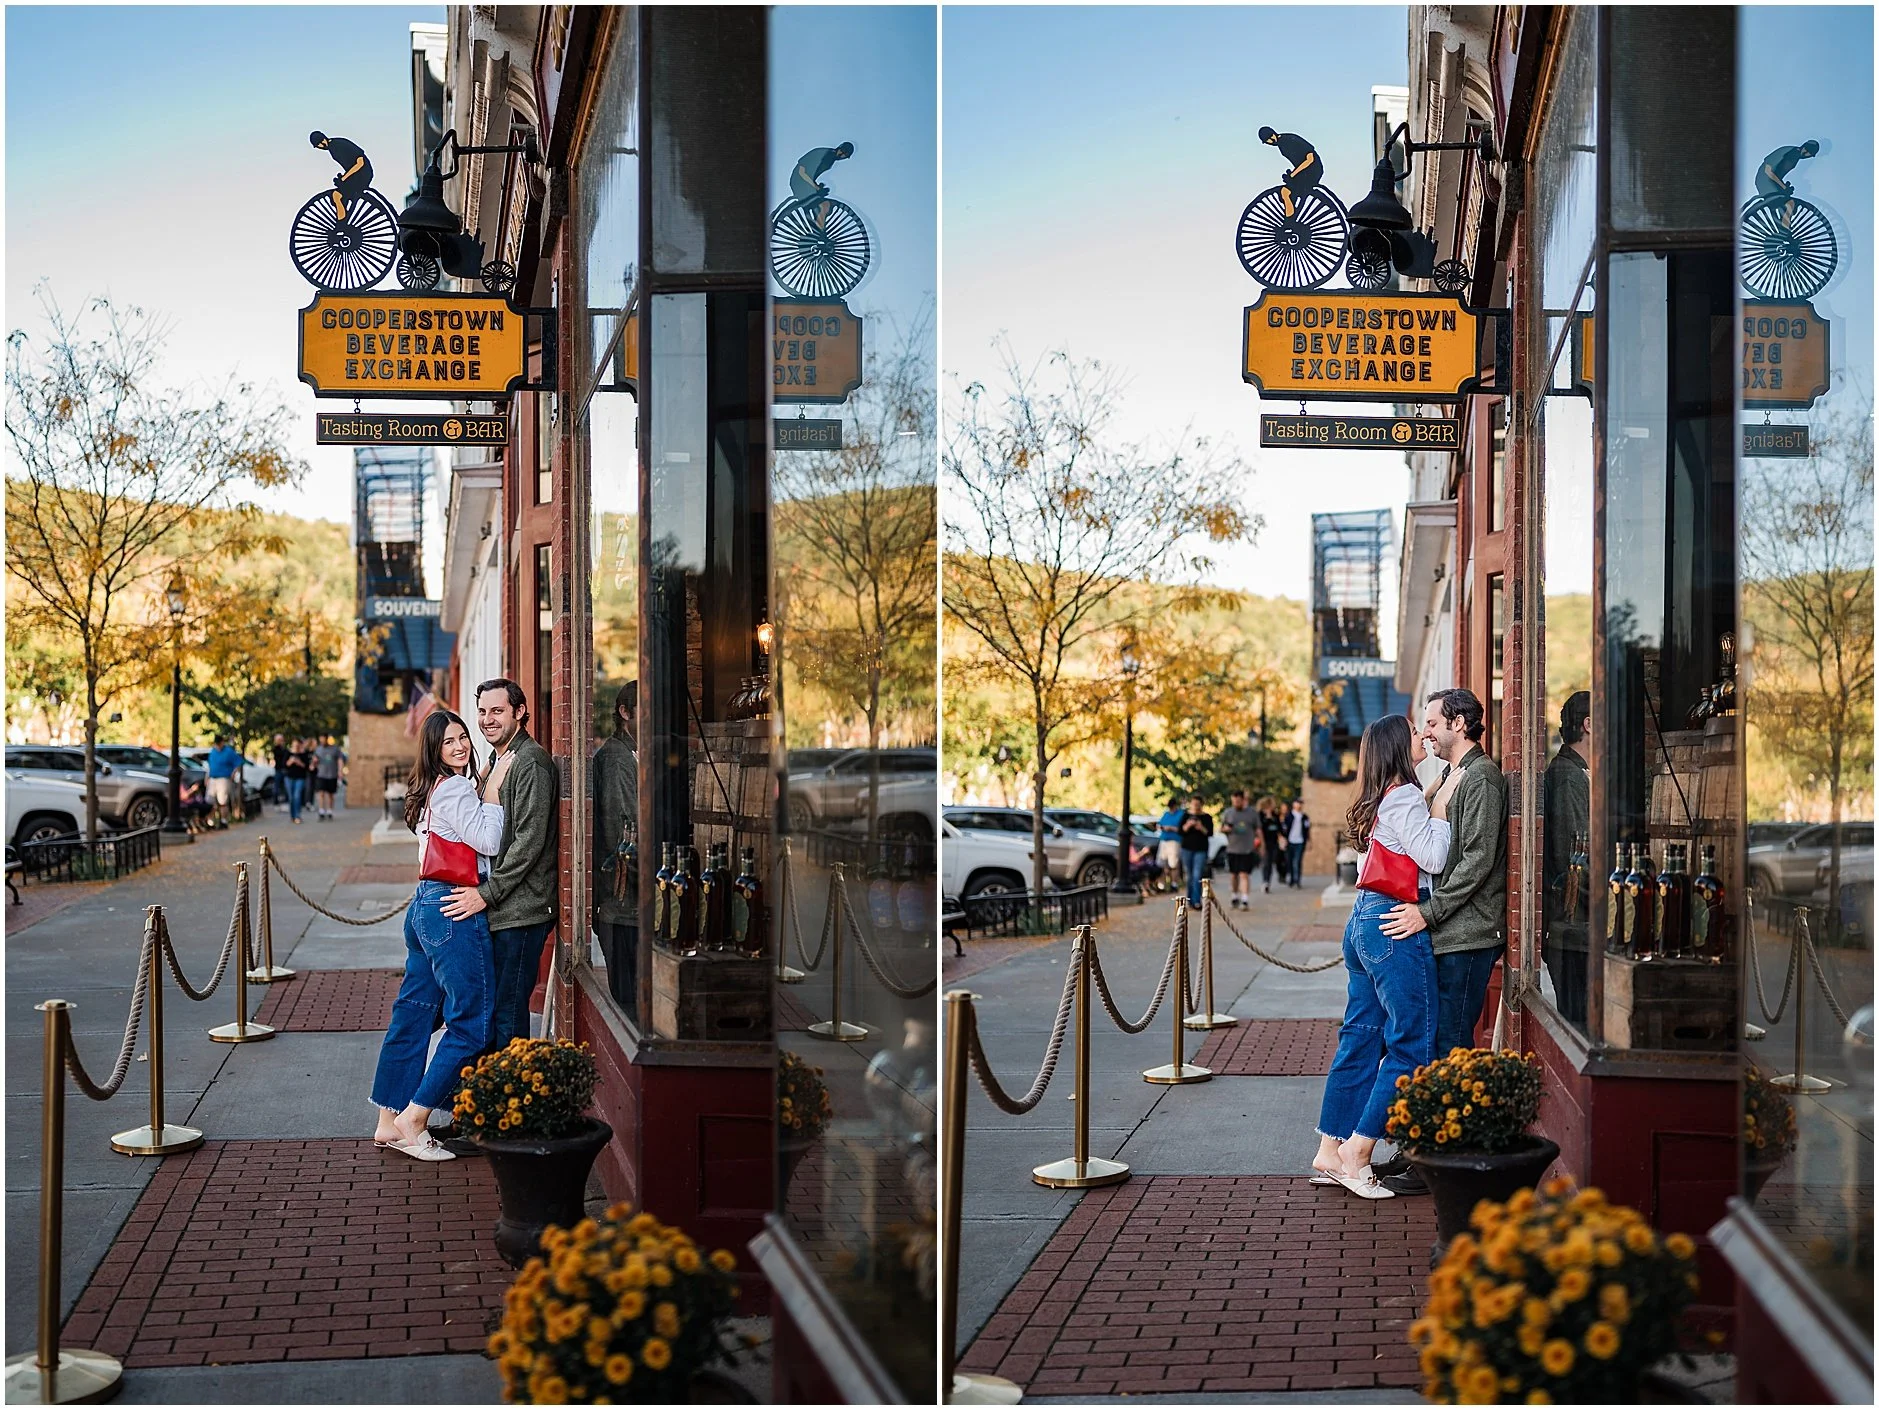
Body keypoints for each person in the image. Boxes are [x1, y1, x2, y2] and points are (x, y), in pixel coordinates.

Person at [1370, 688, 1509, 1197]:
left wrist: (1426, 912)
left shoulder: (1482, 778)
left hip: (1467, 935)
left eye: (1431, 723)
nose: (1425, 731)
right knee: (1435, 1044)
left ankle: (1444, 1163)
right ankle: (1421, 1150)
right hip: (1446, 932)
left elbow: (1476, 862)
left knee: (1451, 1044)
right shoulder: (1451, 774)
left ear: (1459, 723)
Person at [1311, 715, 1451, 1200]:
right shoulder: (1405, 796)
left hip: (1364, 920)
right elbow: (1433, 858)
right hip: (1394, 922)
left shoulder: (1380, 797)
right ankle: (1359, 1151)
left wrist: (1428, 798)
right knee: (1412, 1042)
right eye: (1414, 732)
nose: (1422, 736)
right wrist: (1441, 813)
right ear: (1397, 746)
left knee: (1361, 1036)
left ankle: (1330, 1149)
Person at [370, 709, 507, 1161]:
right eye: (449, 741)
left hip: (425, 905)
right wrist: (493, 794)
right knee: (472, 1021)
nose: (460, 745)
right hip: (452, 907)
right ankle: (415, 1118)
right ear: (434, 749)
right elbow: (489, 841)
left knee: (415, 1012)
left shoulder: (430, 789)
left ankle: (388, 1120)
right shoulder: (455, 787)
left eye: (463, 737)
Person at [441, 679, 560, 1051]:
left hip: (521, 913)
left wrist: (486, 893)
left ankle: (512, 1088)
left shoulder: (530, 762)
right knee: (491, 1013)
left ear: (520, 712)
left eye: (497, 711)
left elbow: (528, 842)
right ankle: (491, 1086)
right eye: (482, 711)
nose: (487, 720)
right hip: (499, 909)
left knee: (508, 1014)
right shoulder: (496, 761)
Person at [1541, 692, 1591, 1026]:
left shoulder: (1574, 771)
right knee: (1577, 1026)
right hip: (1572, 929)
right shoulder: (1568, 776)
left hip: (1573, 928)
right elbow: (1574, 860)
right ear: (1588, 724)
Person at [592, 682, 638, 1013]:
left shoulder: (630, 753)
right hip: (622, 901)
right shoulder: (615, 758)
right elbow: (622, 835)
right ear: (625, 712)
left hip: (627, 902)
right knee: (629, 1002)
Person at [1259, 126, 1323, 220]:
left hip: (1312, 171)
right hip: (1304, 171)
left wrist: (1293, 174)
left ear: (1273, 135)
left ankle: (1290, 221)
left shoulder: (1289, 140)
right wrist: (1293, 174)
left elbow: (1310, 159)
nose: (1270, 142)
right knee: (1286, 192)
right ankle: (1290, 218)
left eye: (1269, 139)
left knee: (1285, 192)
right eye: (1267, 141)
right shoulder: (1282, 144)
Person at [310, 130, 373, 224]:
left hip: (363, 175)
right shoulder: (333, 148)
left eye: (318, 144)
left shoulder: (339, 144)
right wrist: (344, 177)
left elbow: (360, 163)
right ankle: (343, 220)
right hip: (357, 175)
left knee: (337, 195)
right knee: (338, 195)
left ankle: (342, 224)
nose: (320, 147)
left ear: (323, 140)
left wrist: (344, 178)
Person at [789, 141, 855, 225]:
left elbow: (812, 175)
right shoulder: (823, 154)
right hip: (799, 182)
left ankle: (817, 227)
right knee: (823, 205)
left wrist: (816, 186)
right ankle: (816, 227)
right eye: (843, 152)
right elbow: (801, 172)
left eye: (845, 155)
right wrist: (815, 186)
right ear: (839, 148)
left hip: (806, 183)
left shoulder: (830, 159)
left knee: (825, 206)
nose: (842, 156)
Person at [1755, 139, 1820, 223]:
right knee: (1789, 203)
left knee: (1788, 204)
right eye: (1809, 153)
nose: (1808, 156)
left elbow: (1777, 173)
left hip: (1772, 181)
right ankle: (1784, 227)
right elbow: (1768, 171)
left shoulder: (1795, 155)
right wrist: (1783, 186)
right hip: (1765, 181)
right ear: (1805, 149)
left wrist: (1784, 186)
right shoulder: (1789, 152)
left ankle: (1783, 225)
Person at [1220, 788, 1261, 910]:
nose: (1236, 803)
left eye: (1238, 801)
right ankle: (1234, 895)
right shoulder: (1228, 813)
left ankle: (1245, 899)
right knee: (1233, 875)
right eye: (1234, 801)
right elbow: (1221, 828)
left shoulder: (1252, 813)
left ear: (1243, 800)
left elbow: (1258, 829)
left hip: (1247, 849)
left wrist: (1261, 844)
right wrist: (1225, 829)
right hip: (1232, 849)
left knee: (1244, 874)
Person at [1177, 794, 1213, 911]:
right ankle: (1190, 899)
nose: (1196, 807)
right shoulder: (1185, 816)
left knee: (1197, 874)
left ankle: (1197, 900)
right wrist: (1188, 825)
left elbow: (1210, 833)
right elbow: (1180, 831)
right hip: (1187, 848)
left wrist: (1200, 827)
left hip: (1201, 849)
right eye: (1194, 804)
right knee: (1189, 875)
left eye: (1198, 804)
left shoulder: (1206, 817)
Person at [205, 738, 241, 829]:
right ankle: (211, 820)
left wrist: (233, 773)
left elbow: (238, 763)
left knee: (222, 801)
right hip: (213, 778)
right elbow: (210, 766)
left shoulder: (228, 751)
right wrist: (207, 777)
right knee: (210, 801)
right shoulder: (213, 751)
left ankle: (223, 820)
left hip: (224, 778)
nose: (218, 746)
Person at [314, 734, 347, 820]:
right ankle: (321, 810)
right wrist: (314, 763)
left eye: (323, 739)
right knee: (321, 792)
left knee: (330, 794)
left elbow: (340, 760)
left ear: (327, 739)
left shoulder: (335, 749)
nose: (322, 741)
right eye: (320, 739)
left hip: (332, 774)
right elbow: (315, 760)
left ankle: (329, 810)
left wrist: (340, 771)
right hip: (321, 774)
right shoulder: (318, 749)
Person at [1258, 796, 1286, 894]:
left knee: (1274, 861)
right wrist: (1267, 819)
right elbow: (1259, 828)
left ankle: (1271, 879)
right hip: (1264, 842)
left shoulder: (1275, 815)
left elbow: (1280, 829)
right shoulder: (1260, 815)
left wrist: (1282, 838)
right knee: (1266, 862)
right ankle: (1265, 881)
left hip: (1274, 842)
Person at [1155, 798, 1184, 891]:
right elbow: (1159, 824)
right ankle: (1162, 884)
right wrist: (1161, 827)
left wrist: (1171, 828)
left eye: (1172, 807)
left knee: (1173, 864)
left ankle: (1174, 883)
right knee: (1163, 863)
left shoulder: (1180, 814)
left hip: (1174, 841)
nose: (1171, 809)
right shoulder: (1166, 814)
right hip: (1164, 840)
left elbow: (1182, 829)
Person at [281, 738, 312, 825]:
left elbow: (307, 767)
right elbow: (284, 765)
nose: (296, 747)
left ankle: (298, 816)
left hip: (300, 778)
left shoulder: (303, 754)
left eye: (298, 745)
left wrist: (299, 762)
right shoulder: (288, 753)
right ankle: (293, 816)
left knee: (297, 796)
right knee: (291, 798)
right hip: (289, 778)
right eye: (294, 745)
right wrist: (290, 761)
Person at [1286, 799, 1312, 887]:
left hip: (1300, 841)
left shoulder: (1304, 817)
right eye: (1297, 803)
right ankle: (1292, 879)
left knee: (1297, 861)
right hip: (1290, 841)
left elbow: (1307, 830)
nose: (1299, 805)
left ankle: (1297, 880)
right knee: (1290, 861)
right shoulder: (1289, 816)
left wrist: (1309, 841)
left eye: (1300, 803)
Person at [270, 733, 291, 810]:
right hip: (278, 770)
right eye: (279, 740)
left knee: (286, 787)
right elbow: (279, 756)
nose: (280, 741)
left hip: (285, 770)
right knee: (276, 787)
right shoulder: (276, 749)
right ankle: (276, 802)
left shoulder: (285, 749)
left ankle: (286, 803)